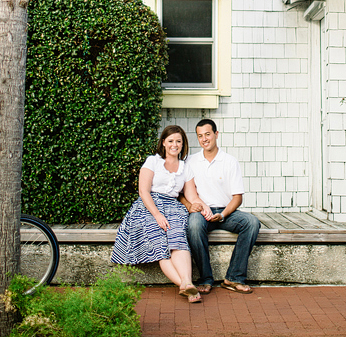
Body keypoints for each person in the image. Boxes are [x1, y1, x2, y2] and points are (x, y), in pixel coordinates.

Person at [111, 125, 210, 303]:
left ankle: (186, 283)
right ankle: (188, 287)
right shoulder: (153, 161)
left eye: (178, 141)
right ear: (163, 142)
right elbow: (143, 191)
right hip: (149, 207)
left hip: (174, 207)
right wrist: (157, 215)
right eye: (171, 141)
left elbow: (191, 195)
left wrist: (204, 206)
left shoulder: (185, 168)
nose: (175, 144)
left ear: (183, 144)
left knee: (178, 237)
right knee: (159, 243)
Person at [182, 119, 261, 294]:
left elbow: (237, 198)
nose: (204, 139)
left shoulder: (229, 161)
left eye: (207, 134)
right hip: (202, 212)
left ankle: (233, 277)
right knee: (193, 226)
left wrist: (223, 214)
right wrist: (190, 206)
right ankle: (205, 278)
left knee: (252, 223)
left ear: (216, 135)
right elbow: (181, 193)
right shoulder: (191, 161)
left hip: (226, 212)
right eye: (200, 136)